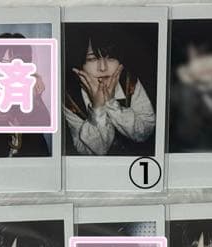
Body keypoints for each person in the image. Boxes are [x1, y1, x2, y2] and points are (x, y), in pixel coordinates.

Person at [62, 26, 155, 156]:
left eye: (110, 58)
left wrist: (111, 103)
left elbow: (145, 131)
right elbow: (90, 151)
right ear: (80, 64)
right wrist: (97, 108)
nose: (103, 68)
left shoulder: (129, 82)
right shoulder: (71, 98)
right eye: (92, 59)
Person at [0, 34, 50, 158]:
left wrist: (34, 97)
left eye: (16, 63)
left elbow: (44, 123)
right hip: (2, 163)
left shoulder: (27, 87)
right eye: (2, 62)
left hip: (37, 158)